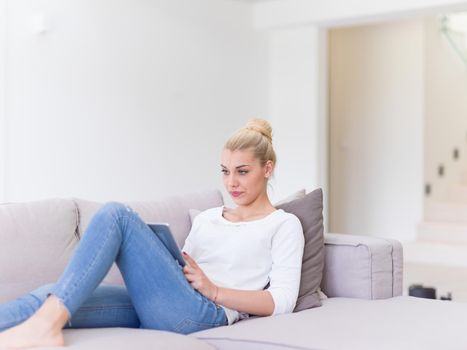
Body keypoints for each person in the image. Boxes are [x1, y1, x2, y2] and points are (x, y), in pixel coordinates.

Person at [0, 118, 304, 349]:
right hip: (167, 300)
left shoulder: (283, 224)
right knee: (52, 294)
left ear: (267, 168)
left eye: (242, 171)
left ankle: (46, 326)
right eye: (225, 171)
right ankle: (44, 320)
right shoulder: (209, 218)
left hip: (204, 312)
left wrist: (214, 291)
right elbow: (185, 267)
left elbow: (282, 301)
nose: (231, 183)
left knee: (116, 215)